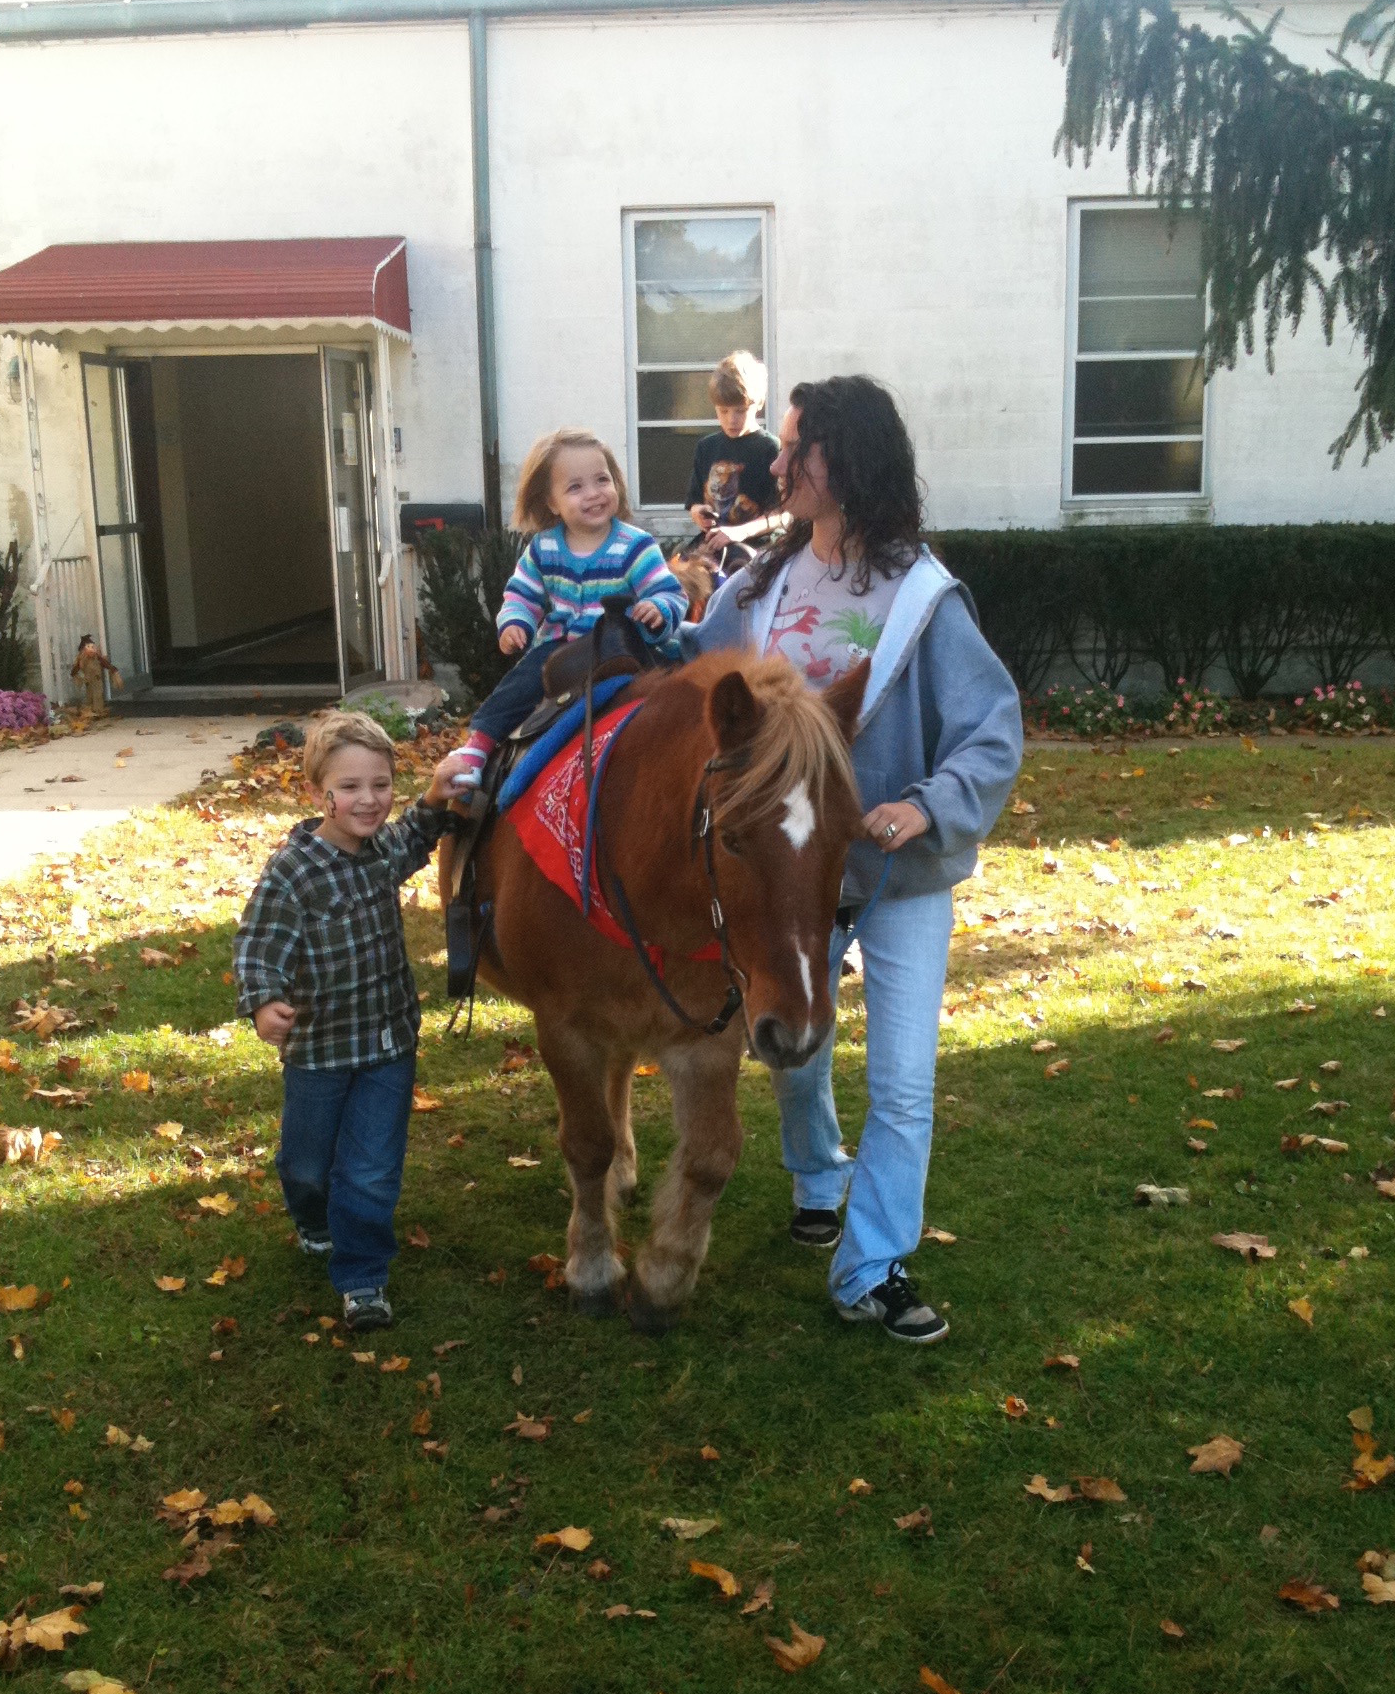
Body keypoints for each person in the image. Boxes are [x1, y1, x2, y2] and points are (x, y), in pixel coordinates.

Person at [684, 376, 1023, 1344]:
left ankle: (871, 1263)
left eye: (800, 451)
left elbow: (991, 733)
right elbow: (695, 680)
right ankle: (817, 1177)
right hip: (797, 876)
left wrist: (928, 807)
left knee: (905, 1081)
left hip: (900, 877)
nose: (778, 465)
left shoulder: (923, 595)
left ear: (852, 461)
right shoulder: (762, 584)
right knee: (796, 1047)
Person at [234, 709, 443, 1333]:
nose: (369, 799)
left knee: (371, 1169)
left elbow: (414, 837)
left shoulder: (381, 850)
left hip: (387, 1042)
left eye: (381, 785)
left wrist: (435, 799)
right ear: (318, 792)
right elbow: (258, 942)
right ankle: (312, 1215)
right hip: (319, 1051)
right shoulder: (294, 871)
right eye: (350, 787)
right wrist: (264, 999)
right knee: (306, 1163)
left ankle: (363, 1280)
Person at [431, 430, 687, 798]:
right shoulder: (544, 548)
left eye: (603, 479)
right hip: (562, 648)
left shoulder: (635, 545)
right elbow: (521, 594)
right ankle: (480, 744)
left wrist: (658, 610)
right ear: (551, 502)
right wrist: (515, 622)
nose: (595, 493)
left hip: (620, 645)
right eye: (576, 487)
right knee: (522, 682)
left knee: (667, 691)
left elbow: (668, 592)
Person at [684, 350, 783, 561]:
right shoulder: (706, 447)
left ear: (759, 404)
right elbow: (694, 503)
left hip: (757, 550)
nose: (731, 420)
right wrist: (699, 513)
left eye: (740, 411)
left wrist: (740, 532)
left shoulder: (770, 448)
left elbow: (783, 514)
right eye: (723, 411)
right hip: (712, 546)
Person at [70, 633, 120, 713]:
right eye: (88, 647)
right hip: (88, 681)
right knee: (89, 695)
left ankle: (98, 710)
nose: (91, 650)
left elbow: (104, 663)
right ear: (83, 650)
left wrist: (112, 668)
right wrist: (74, 673)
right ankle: (90, 710)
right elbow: (76, 668)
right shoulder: (82, 660)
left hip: (97, 679)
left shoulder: (97, 658)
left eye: (93, 647)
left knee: (97, 695)